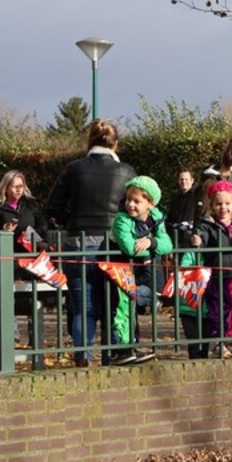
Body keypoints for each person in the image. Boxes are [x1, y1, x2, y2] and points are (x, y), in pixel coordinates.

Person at [46, 119, 137, 367]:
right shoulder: (126, 171)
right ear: (115, 144)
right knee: (112, 305)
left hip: (78, 242)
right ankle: (112, 354)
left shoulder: (73, 169)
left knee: (82, 308)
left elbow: (53, 206)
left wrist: (71, 221)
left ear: (90, 141)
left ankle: (82, 356)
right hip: (112, 244)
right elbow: (134, 209)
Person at [107, 176, 172, 365]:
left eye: (137, 201)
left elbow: (168, 245)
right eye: (128, 199)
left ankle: (132, 345)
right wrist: (153, 247)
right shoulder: (122, 220)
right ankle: (121, 348)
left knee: (134, 307)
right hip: (120, 270)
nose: (130, 204)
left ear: (151, 204)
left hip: (142, 272)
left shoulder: (156, 217)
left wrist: (152, 242)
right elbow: (130, 248)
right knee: (122, 309)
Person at [190, 180, 232, 358]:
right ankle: (218, 341)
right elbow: (201, 239)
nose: (223, 207)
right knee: (217, 308)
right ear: (212, 206)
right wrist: (197, 241)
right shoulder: (206, 225)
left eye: (227, 203)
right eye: (218, 204)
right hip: (215, 274)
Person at [0, 170, 50, 250]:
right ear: (6, 188)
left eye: (21, 186)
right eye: (15, 186)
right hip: (8, 251)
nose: (18, 190)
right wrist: (4, 231)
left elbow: (43, 225)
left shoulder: (31, 204)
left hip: (31, 251)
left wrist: (30, 235)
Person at [166, 169, 203, 236]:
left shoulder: (198, 196)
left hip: (190, 235)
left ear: (192, 180)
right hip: (175, 234)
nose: (184, 182)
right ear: (178, 181)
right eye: (181, 179)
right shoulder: (175, 198)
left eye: (186, 179)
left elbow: (199, 217)